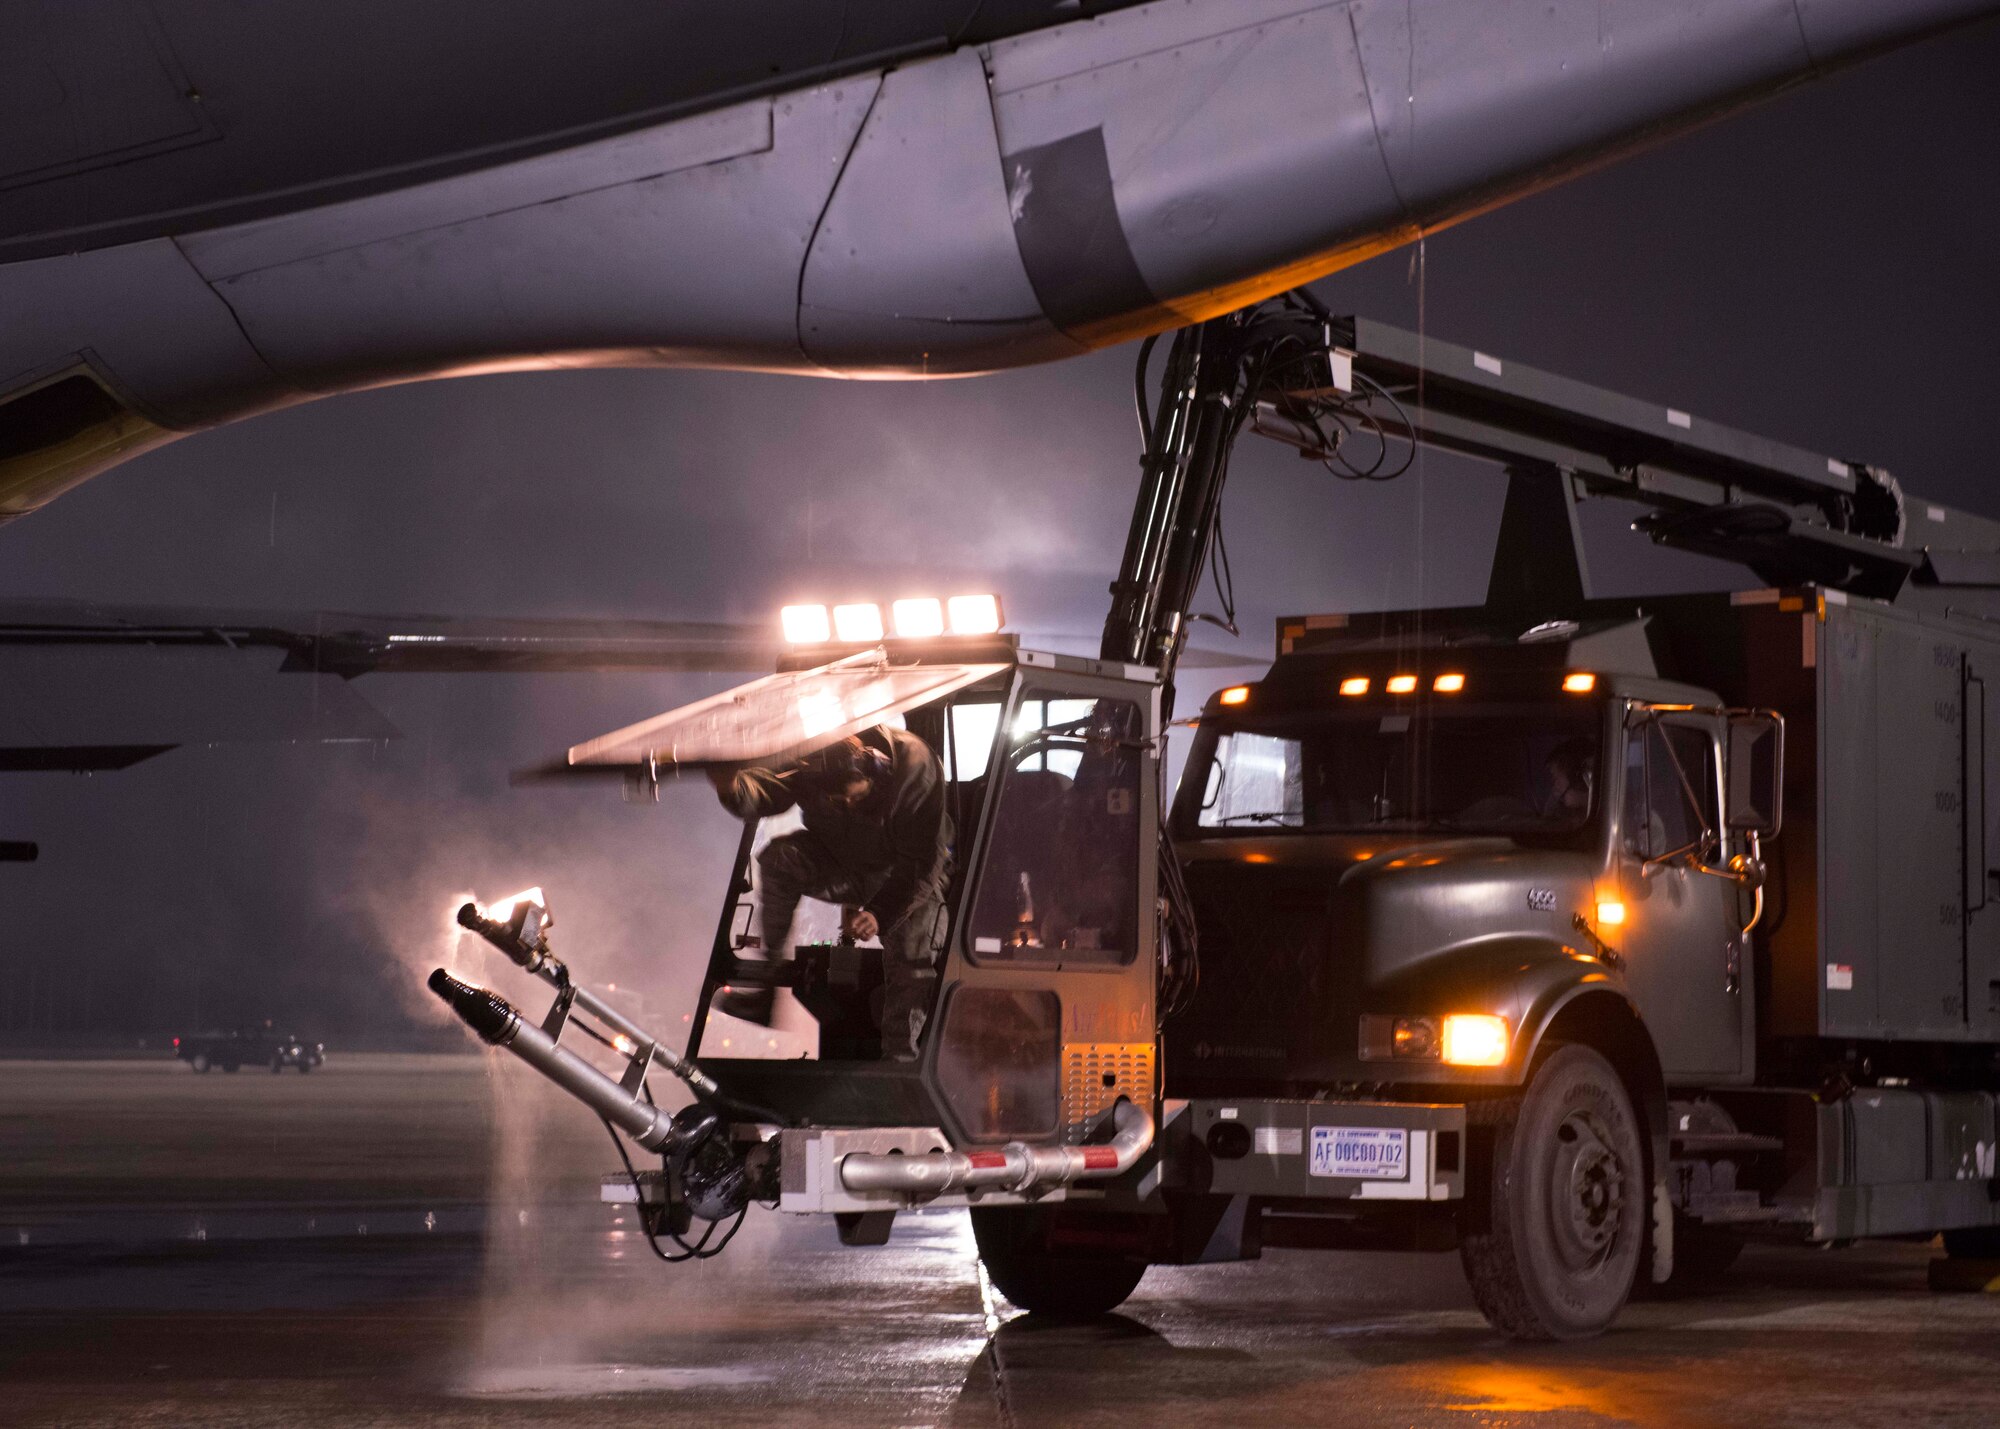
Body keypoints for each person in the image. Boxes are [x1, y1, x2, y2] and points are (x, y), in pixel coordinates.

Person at [709, 727, 950, 1058]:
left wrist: (880, 913)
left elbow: (920, 867)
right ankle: (767, 991)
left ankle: (900, 1061)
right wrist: (732, 786)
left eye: (857, 797)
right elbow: (768, 793)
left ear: (879, 770)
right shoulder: (810, 760)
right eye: (839, 802)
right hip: (842, 865)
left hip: (903, 876)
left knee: (912, 953)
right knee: (780, 859)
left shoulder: (915, 770)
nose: (849, 805)